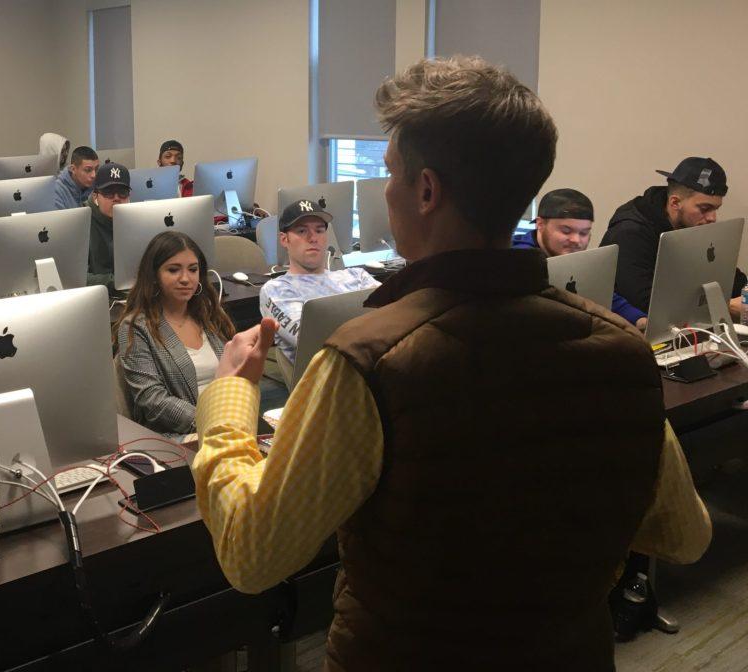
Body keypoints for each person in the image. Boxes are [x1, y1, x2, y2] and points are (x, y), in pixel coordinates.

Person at [191, 56, 710, 670]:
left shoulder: (371, 362)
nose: (385, 191)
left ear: (427, 190)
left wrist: (228, 402)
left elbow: (253, 554)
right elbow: (686, 535)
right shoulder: (620, 352)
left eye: (389, 174)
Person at [115, 231, 236, 437]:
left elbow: (236, 374)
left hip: (228, 423)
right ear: (154, 276)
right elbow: (152, 399)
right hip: (178, 436)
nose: (185, 279)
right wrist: (209, 422)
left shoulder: (209, 314)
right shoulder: (136, 327)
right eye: (173, 270)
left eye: (193, 270)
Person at [601, 157, 745, 320]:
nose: (712, 218)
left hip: (682, 327)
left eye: (716, 209)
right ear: (675, 202)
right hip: (634, 332)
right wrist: (725, 305)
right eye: (705, 208)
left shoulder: (694, 225)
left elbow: (729, 277)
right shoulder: (629, 233)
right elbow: (645, 304)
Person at [259, 199, 380, 363]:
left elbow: (394, 316)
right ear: (284, 239)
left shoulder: (357, 276)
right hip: (333, 378)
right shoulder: (277, 290)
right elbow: (313, 341)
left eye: (319, 230)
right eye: (302, 231)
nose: (313, 238)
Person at [513, 188, 647, 329]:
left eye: (584, 233)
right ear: (540, 224)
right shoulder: (518, 260)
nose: (576, 240)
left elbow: (605, 297)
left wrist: (640, 320)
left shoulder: (575, 257)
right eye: (566, 231)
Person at [85, 162, 131, 293]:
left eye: (122, 192)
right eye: (108, 192)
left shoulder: (136, 219)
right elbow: (75, 278)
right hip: (94, 299)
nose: (116, 198)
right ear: (95, 196)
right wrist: (115, 282)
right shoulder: (81, 222)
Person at [53, 145, 100, 210]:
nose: (94, 175)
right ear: (73, 169)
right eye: (88, 170)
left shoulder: (98, 186)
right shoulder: (56, 191)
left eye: (96, 169)